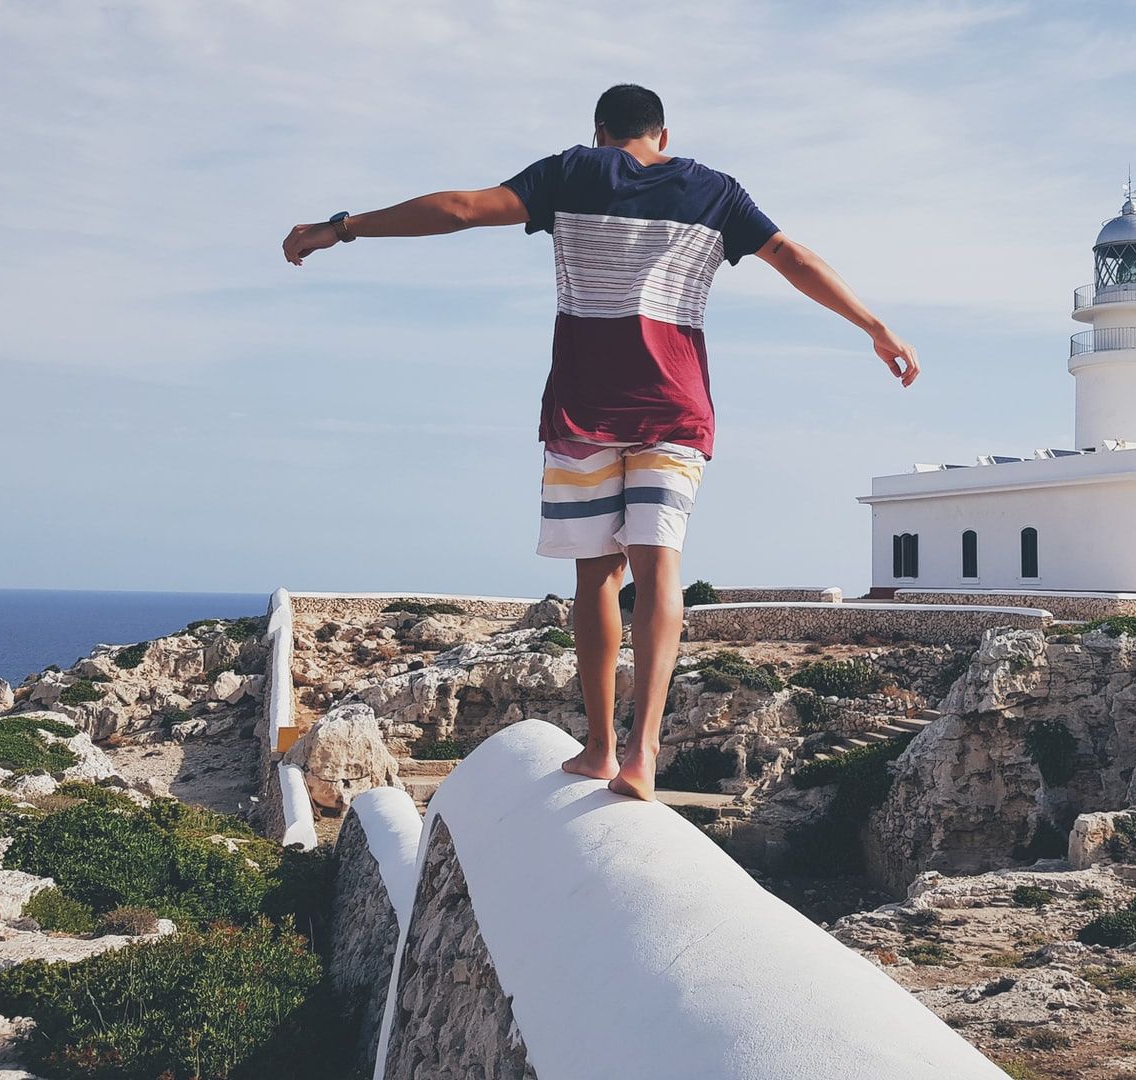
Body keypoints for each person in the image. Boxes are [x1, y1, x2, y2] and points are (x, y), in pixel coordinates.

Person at [280, 85, 919, 801]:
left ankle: (600, 747)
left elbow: (460, 210)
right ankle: (644, 755)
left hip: (583, 410)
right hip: (676, 409)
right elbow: (792, 255)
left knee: (597, 579)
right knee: (660, 568)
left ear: (599, 130)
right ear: (663, 136)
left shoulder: (573, 172)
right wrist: (875, 327)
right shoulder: (715, 192)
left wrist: (340, 227)